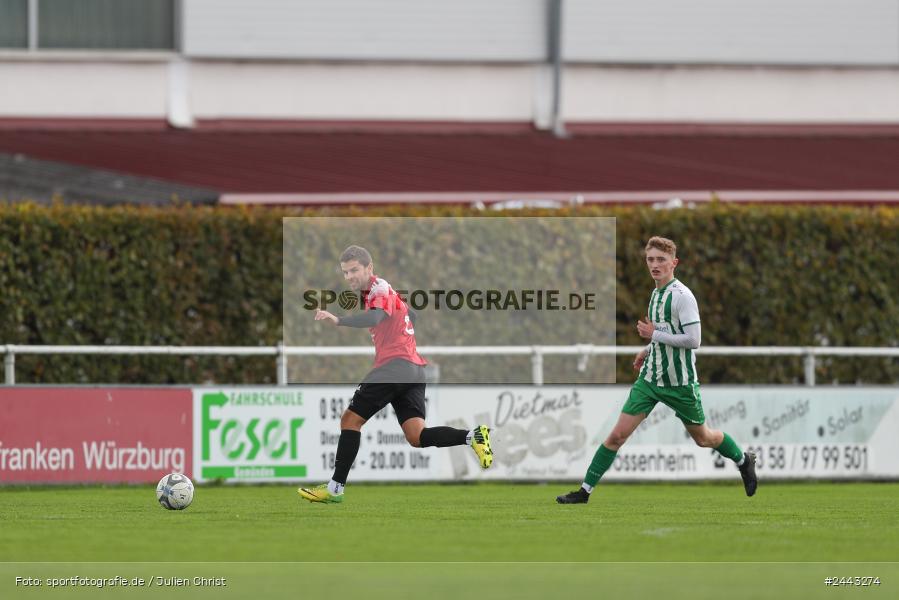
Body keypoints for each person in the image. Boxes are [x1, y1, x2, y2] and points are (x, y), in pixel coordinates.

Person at [556, 236, 757, 504]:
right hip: (650, 379)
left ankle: (744, 460)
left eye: (661, 260)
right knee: (617, 435)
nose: (655, 264)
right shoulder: (655, 294)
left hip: (680, 382)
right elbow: (666, 333)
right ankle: (584, 492)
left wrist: (654, 336)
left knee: (704, 438)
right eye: (650, 259)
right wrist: (648, 350)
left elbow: (693, 340)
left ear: (674, 263)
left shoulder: (683, 297)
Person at [298, 245, 493, 504]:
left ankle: (335, 489)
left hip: (394, 367)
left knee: (349, 420)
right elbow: (412, 314)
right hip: (413, 370)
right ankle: (473, 436)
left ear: (370, 268)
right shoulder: (385, 290)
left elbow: (377, 318)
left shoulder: (378, 289)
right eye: (345, 272)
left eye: (355, 270)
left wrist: (339, 320)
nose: (350, 277)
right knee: (417, 436)